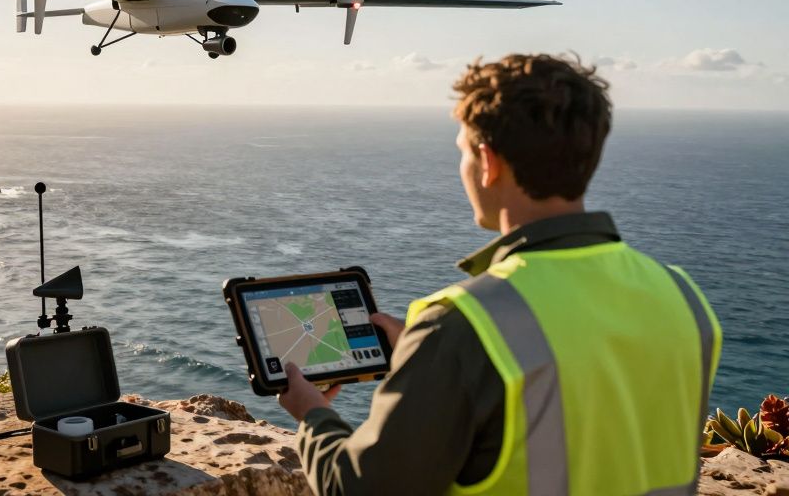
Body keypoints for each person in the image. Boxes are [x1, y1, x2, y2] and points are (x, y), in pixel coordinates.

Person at [278, 53, 720, 496]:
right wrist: (431, 364)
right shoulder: (682, 295)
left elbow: (360, 490)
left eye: (463, 152)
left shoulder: (462, 325)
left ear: (488, 162)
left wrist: (314, 415)